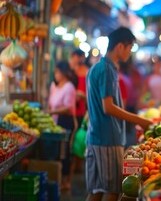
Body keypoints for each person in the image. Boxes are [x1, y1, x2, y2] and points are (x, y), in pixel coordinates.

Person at [85, 27, 152, 201]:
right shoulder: (107, 70)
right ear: (120, 46)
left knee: (96, 191)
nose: (130, 53)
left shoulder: (97, 68)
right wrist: (140, 120)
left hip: (96, 136)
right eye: (130, 48)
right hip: (107, 138)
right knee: (112, 190)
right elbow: (108, 107)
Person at [47, 61, 78, 191]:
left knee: (64, 151)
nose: (56, 75)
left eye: (57, 72)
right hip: (55, 122)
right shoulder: (54, 86)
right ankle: (57, 179)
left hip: (66, 121)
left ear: (64, 73)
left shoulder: (69, 87)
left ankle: (66, 181)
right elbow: (50, 103)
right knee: (55, 152)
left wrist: (52, 112)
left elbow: (69, 108)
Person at [68, 49, 88, 174]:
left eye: (81, 57)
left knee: (79, 140)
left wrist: (83, 96)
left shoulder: (87, 72)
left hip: (81, 110)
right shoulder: (69, 72)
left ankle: (77, 165)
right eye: (77, 57)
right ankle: (72, 166)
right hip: (70, 110)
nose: (79, 60)